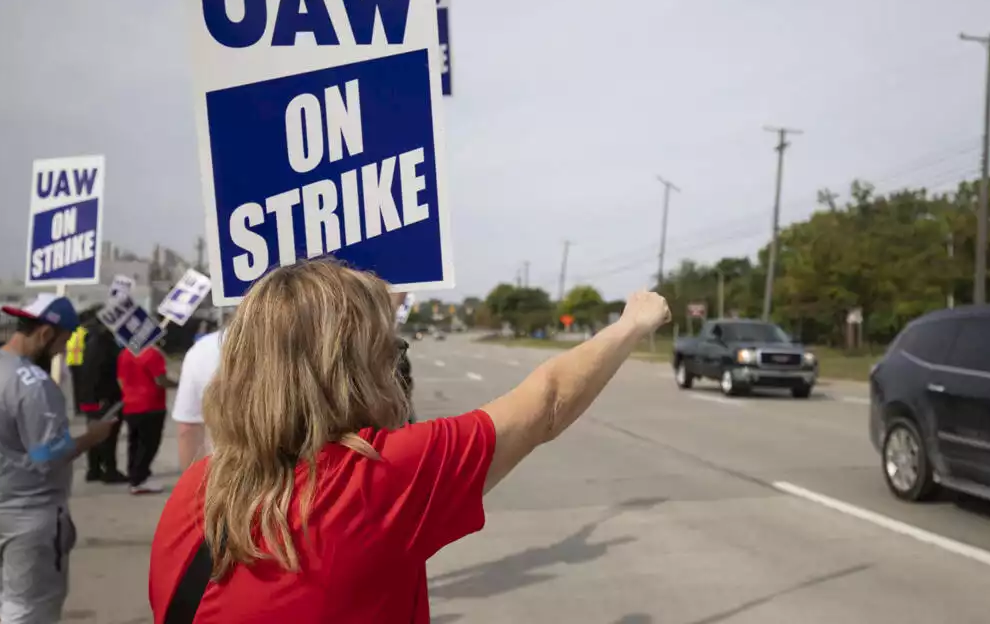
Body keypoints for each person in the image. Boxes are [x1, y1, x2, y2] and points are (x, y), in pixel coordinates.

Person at [148, 259, 668, 623]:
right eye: (388, 349)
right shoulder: (371, 483)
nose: (393, 363)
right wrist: (632, 324)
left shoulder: (194, 491)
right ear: (350, 368)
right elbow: (548, 401)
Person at [0, 294, 119, 624]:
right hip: (28, 515)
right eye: (63, 341)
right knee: (28, 611)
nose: (61, 351)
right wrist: (93, 437)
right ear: (45, 334)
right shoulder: (34, 384)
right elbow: (49, 456)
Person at [117, 340, 176, 495]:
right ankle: (139, 479)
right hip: (151, 405)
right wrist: (178, 384)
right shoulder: (152, 354)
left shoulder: (125, 353)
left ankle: (134, 474)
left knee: (134, 443)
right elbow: (160, 380)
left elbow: (121, 380)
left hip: (131, 405)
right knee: (149, 444)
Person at [171, 315, 226, 471]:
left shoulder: (205, 348)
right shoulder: (299, 340)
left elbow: (188, 430)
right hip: (295, 485)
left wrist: (192, 491)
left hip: (223, 479)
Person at [78, 321, 125, 483]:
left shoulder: (90, 341)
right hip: (105, 397)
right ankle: (109, 470)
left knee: (95, 432)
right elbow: (105, 371)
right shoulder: (105, 344)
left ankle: (94, 468)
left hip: (90, 397)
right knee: (108, 434)